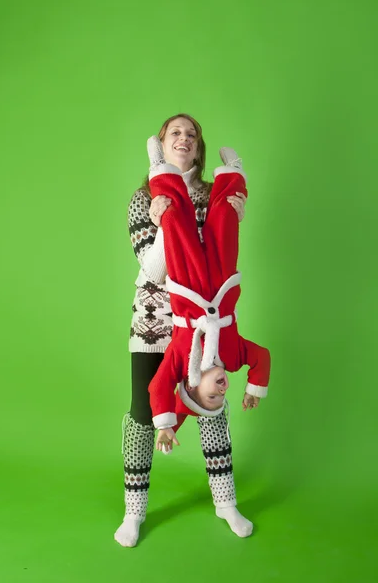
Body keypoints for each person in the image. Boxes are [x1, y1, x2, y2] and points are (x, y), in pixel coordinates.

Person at [114, 115, 248, 548]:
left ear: (199, 148)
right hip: (154, 320)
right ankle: (134, 512)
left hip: (200, 324)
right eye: (176, 132)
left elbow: (218, 258)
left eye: (192, 134)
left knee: (212, 405)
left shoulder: (212, 195)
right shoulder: (140, 199)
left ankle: (225, 502)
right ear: (162, 143)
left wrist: (233, 215)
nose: (185, 138)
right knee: (142, 411)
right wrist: (163, 220)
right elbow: (153, 268)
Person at [145, 137, 271, 451]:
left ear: (192, 387)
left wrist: (166, 424)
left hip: (187, 284)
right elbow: (262, 358)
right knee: (227, 216)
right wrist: (255, 388)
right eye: (224, 395)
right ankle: (233, 172)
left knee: (172, 219)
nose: (224, 388)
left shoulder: (180, 359)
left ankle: (159, 167)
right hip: (222, 280)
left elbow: (158, 386)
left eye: (212, 395)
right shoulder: (232, 356)